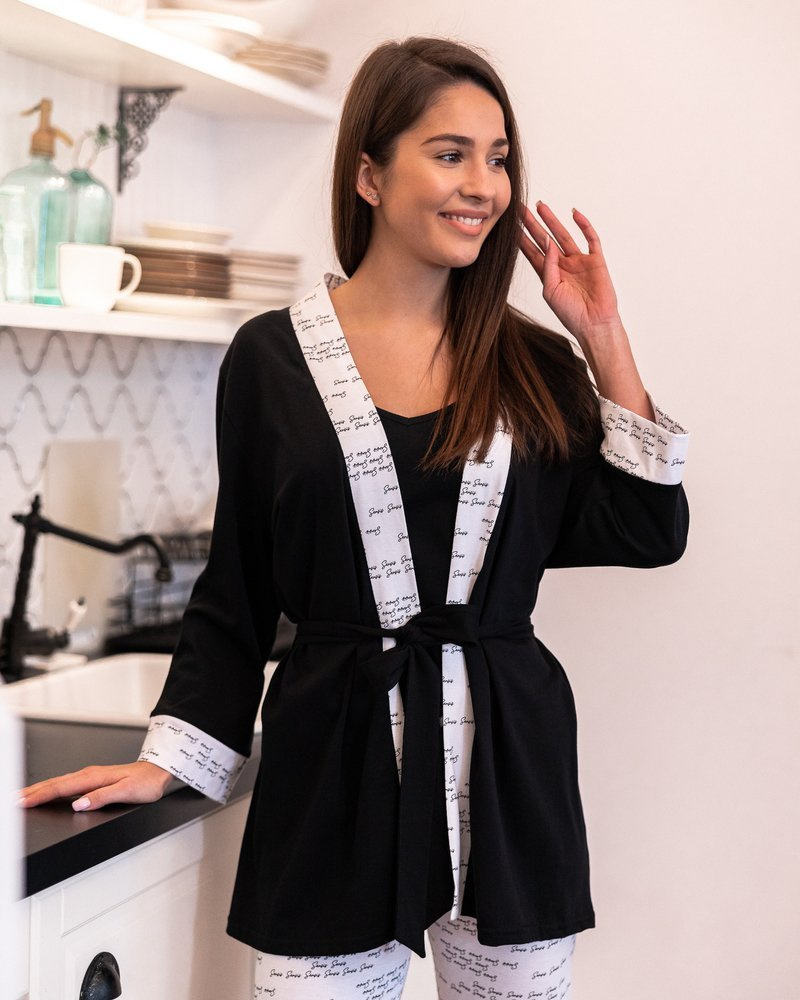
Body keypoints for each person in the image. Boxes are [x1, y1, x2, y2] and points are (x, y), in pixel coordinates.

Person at [20, 36, 689, 1000]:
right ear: (369, 175)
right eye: (450, 153)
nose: (484, 185)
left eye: (498, 158)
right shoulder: (271, 359)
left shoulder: (533, 365)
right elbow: (239, 585)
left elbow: (648, 530)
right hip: (331, 766)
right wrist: (168, 759)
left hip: (508, 767)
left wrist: (603, 338)